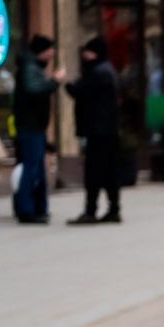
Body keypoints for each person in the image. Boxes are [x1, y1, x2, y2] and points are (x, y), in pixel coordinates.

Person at [65, 36, 123, 225]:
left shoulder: (98, 72)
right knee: (108, 171)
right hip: (108, 130)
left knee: (94, 171)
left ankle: (91, 210)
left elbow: (80, 91)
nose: (85, 56)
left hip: (98, 131)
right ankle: (113, 209)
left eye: (88, 52)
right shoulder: (108, 70)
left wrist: (67, 84)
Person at [12, 35, 62, 224]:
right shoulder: (29, 67)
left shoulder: (33, 67)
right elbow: (35, 91)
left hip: (34, 127)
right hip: (29, 127)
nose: (52, 53)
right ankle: (26, 209)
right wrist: (55, 81)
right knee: (31, 169)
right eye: (50, 49)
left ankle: (38, 207)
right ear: (42, 50)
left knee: (37, 169)